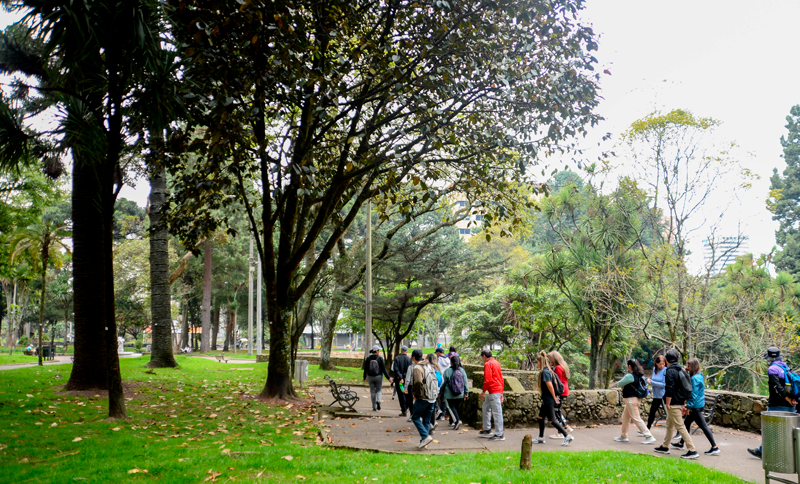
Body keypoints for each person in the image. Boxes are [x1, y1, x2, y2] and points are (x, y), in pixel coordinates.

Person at [748, 346, 798, 458]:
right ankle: (790, 454)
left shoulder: (772, 370)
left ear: (769, 358)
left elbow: (777, 387)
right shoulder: (785, 367)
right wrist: (792, 399)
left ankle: (763, 452)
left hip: (777, 405)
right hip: (790, 406)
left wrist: (787, 399)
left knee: (770, 429)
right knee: (788, 431)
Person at [653, 349, 698, 459]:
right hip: (680, 401)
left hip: (673, 403)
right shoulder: (681, 369)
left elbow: (670, 388)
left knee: (680, 426)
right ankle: (665, 446)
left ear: (667, 360)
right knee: (669, 425)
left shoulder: (670, 371)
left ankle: (692, 450)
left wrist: (667, 403)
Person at [672, 358, 720, 455]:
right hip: (698, 405)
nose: (687, 367)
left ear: (693, 367)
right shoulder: (699, 376)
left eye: (689, 366)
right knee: (686, 423)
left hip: (695, 407)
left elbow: (693, 395)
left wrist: (688, 407)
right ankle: (681, 443)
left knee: (703, 426)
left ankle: (715, 447)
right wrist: (685, 370)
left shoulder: (694, 379)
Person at [532, 350, 574, 446]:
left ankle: (567, 436)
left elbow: (550, 385)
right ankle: (541, 438)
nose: (537, 364)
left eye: (537, 362)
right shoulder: (547, 370)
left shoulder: (545, 372)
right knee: (541, 417)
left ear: (540, 362)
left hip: (549, 399)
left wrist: (555, 397)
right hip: (546, 399)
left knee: (552, 420)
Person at [614, 359, 656, 444]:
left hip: (630, 400)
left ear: (629, 366)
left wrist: (624, 386)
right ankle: (623, 435)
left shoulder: (630, 376)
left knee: (636, 418)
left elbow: (619, 384)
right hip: (637, 399)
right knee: (625, 417)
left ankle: (648, 436)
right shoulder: (641, 375)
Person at [410, 349, 438, 449]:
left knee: (415, 417)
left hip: (423, 397)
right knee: (426, 420)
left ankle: (425, 437)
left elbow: (418, 382)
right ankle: (424, 442)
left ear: (413, 357)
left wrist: (416, 394)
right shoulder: (429, 365)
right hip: (432, 397)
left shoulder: (418, 367)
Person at [478, 349, 506, 441]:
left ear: (484, 356)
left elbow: (488, 380)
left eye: (482, 357)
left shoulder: (487, 364)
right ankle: (487, 428)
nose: (482, 359)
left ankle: (499, 434)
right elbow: (501, 378)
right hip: (496, 389)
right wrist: (501, 391)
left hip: (493, 390)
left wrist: (483, 392)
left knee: (497, 412)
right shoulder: (496, 362)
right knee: (485, 407)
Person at [548, 350, 574, 437]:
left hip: (560, 391)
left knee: (556, 411)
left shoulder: (558, 368)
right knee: (557, 410)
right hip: (564, 390)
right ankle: (565, 427)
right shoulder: (562, 366)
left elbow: (556, 381)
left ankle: (562, 431)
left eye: (551, 359)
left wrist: (555, 394)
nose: (550, 361)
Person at [442, 354, 469, 430]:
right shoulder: (462, 370)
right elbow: (465, 383)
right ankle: (451, 421)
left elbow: (443, 383)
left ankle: (457, 420)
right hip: (460, 393)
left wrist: (441, 391)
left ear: (451, 362)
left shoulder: (447, 371)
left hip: (449, 393)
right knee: (455, 407)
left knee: (451, 407)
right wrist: (466, 393)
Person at [362, 346, 393, 412]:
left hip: (370, 377)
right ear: (376, 351)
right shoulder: (380, 359)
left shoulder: (368, 359)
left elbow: (365, 369)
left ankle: (374, 407)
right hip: (379, 377)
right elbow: (384, 370)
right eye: (379, 350)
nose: (379, 352)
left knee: (372, 391)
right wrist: (388, 378)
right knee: (379, 390)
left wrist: (364, 377)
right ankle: (378, 401)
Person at [645, 355, 667, 431]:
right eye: (660, 364)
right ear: (656, 363)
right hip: (656, 395)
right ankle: (647, 429)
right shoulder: (655, 369)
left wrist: (652, 382)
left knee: (670, 413)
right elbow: (653, 380)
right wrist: (649, 381)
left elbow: (664, 384)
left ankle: (678, 431)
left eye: (663, 364)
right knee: (652, 412)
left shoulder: (665, 370)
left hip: (663, 394)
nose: (662, 366)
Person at [392, 346, 413, 417]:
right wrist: (404, 376)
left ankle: (403, 410)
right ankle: (406, 407)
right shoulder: (409, 359)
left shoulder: (397, 358)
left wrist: (400, 376)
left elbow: (395, 368)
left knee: (401, 395)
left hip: (399, 380)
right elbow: (409, 370)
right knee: (407, 394)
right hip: (407, 379)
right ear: (407, 351)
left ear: (401, 351)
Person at [425, 353, 444, 430]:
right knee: (432, 407)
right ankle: (432, 422)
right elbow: (442, 380)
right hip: (437, 389)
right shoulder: (438, 368)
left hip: (428, 390)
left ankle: (429, 423)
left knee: (427, 408)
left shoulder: (427, 368)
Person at [435, 347, 451, 421]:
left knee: (435, 397)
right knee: (443, 399)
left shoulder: (438, 361)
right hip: (447, 381)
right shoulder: (448, 360)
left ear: (438, 353)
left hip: (439, 380)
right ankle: (443, 415)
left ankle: (439, 410)